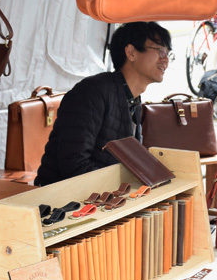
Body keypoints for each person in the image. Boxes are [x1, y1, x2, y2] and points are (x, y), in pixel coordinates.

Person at [35, 22, 172, 186]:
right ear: (131, 52)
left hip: (100, 199)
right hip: (61, 202)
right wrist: (124, 188)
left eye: (169, 53)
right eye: (160, 51)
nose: (166, 59)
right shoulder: (91, 92)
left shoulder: (133, 99)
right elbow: (74, 165)